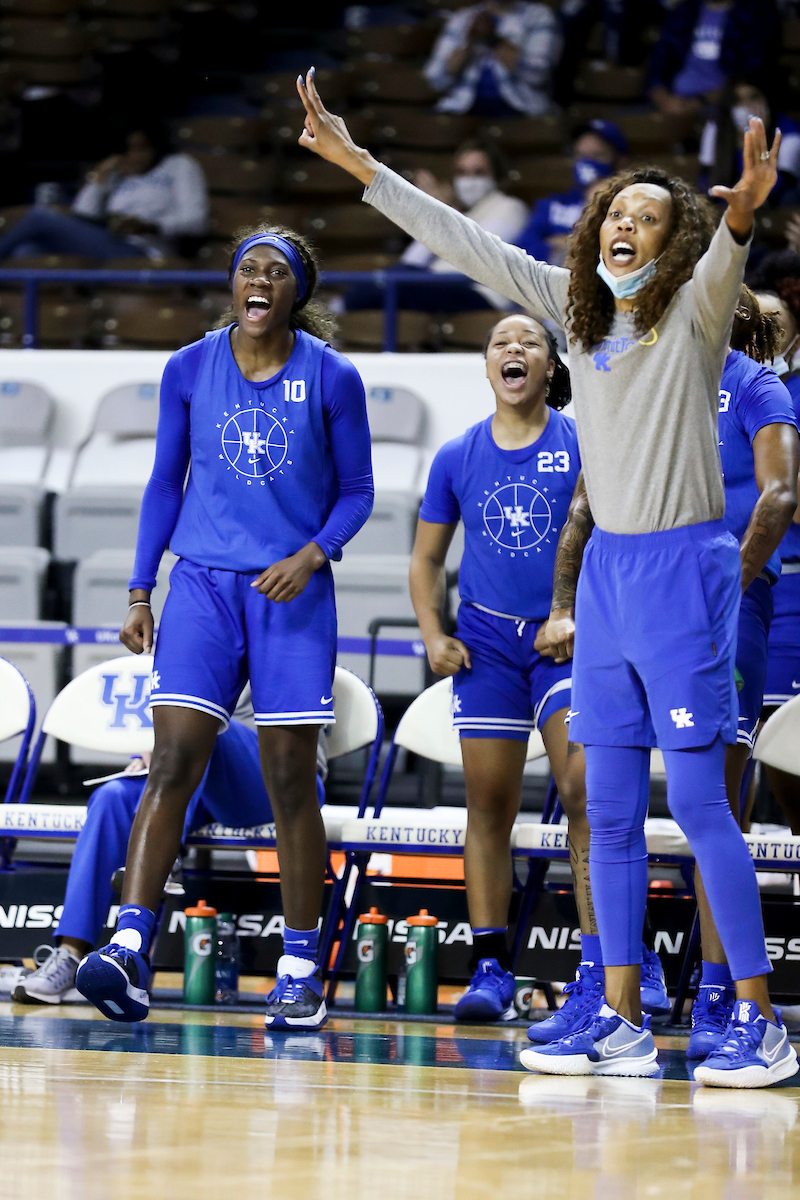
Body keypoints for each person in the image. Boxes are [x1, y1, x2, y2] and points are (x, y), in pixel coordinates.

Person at [296, 69, 797, 1088]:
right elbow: (462, 240)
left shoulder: (696, 323)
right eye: (615, 210)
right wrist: (359, 165)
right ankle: (615, 1013)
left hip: (684, 570)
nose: (623, 223)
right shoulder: (572, 317)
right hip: (607, 576)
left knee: (701, 805)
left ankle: (755, 1016)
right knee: (604, 808)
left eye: (647, 216)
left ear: (673, 243)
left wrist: (740, 207)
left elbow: (725, 254)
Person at [74, 223, 374, 1030]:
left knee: (288, 779)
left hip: (290, 592)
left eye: (277, 272)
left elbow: (360, 493)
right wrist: (142, 590)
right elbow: (163, 483)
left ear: (295, 293)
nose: (260, 281)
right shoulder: (189, 365)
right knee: (171, 758)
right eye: (250, 269)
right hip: (201, 585)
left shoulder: (333, 375)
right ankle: (130, 948)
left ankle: (302, 967)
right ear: (233, 285)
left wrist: (313, 556)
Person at [410, 311, 667, 1028]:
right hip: (486, 642)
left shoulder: (587, 441)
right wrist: (434, 633)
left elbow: (619, 542)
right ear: (487, 368)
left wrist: (587, 618)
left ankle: (605, 960)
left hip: (568, 641)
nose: (513, 349)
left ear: (552, 369)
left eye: (529, 343)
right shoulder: (457, 454)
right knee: (487, 805)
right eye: (500, 343)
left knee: (584, 790)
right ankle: (491, 966)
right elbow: (426, 559)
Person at [14, 706, 326, 1005]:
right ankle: (69, 954)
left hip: (282, 782)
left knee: (203, 719)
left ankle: (158, 864)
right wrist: (149, 754)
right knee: (112, 798)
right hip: (202, 781)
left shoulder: (281, 651)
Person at [347, 141, 528, 312]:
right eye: (462, 172)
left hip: (479, 294)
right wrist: (433, 212)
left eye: (479, 172)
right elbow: (411, 262)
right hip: (437, 285)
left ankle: (340, 307)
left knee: (397, 286)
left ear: (496, 176)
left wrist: (439, 213)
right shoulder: (462, 213)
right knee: (394, 279)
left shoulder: (509, 206)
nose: (469, 180)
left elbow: (471, 257)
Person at [0, 126, 209, 262]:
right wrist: (100, 177)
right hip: (108, 242)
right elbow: (82, 213)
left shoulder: (179, 166)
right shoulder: (119, 175)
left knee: (39, 216)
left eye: (142, 149)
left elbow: (196, 221)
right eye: (128, 150)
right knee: (26, 251)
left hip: (147, 253)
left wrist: (151, 226)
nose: (135, 156)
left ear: (155, 147)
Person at [516, 119, 628, 266]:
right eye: (581, 156)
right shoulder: (552, 204)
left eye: (597, 156)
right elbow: (523, 250)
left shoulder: (628, 207)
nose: (587, 164)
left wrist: (565, 242)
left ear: (619, 161)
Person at [424, 1, 563, 118]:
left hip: (520, 107)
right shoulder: (464, 18)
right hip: (463, 107)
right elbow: (435, 79)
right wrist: (469, 43)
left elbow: (537, 75)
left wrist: (494, 40)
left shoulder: (538, 16)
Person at [648, 0, 779, 119]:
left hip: (726, 103)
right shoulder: (684, 11)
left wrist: (700, 101)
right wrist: (662, 98)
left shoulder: (756, 12)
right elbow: (658, 63)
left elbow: (751, 73)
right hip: (674, 100)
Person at [700, 79, 800, 205]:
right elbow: (705, 180)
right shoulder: (717, 127)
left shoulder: (789, 133)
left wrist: (757, 140)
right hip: (728, 206)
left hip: (771, 207)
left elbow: (778, 188)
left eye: (753, 98)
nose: (746, 105)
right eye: (738, 100)